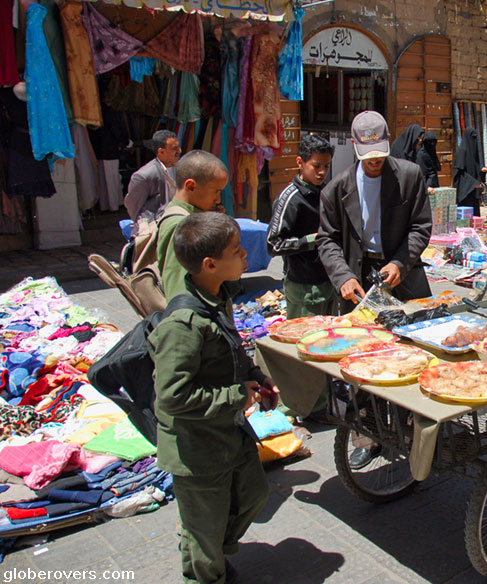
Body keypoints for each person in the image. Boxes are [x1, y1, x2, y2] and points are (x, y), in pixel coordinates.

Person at [148, 212, 277, 584]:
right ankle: (205, 570)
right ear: (210, 264)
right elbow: (171, 397)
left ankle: (210, 551)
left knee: (252, 493)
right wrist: (236, 396)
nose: (245, 258)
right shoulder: (183, 325)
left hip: (226, 433)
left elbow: (231, 353)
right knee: (204, 531)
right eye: (237, 251)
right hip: (196, 448)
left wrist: (256, 378)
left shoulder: (217, 298)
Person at [318, 110, 432, 306]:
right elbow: (327, 239)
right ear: (354, 144)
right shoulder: (335, 190)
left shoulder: (409, 176)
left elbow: (420, 227)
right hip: (359, 277)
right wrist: (343, 276)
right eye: (367, 154)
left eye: (379, 152)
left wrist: (399, 263)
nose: (374, 160)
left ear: (388, 140)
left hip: (402, 274)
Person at [267, 134, 337, 319]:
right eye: (316, 166)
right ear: (300, 162)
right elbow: (273, 244)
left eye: (326, 166)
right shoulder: (290, 198)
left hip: (329, 281)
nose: (322, 172)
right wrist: (310, 240)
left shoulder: (326, 192)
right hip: (304, 287)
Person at [158, 150, 230, 301]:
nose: (218, 200)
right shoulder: (180, 225)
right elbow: (177, 291)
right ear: (190, 187)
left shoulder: (193, 218)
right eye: (216, 192)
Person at [124, 130, 182, 222]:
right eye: (175, 148)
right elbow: (133, 206)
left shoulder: (181, 168)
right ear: (161, 152)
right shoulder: (144, 176)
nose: (179, 151)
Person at [453, 127, 487, 217]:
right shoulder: (462, 152)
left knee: (475, 218)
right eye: (472, 137)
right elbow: (458, 174)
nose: (474, 141)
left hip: (474, 192)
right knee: (466, 217)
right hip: (465, 193)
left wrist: (482, 172)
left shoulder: (473, 153)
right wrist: (473, 183)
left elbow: (474, 171)